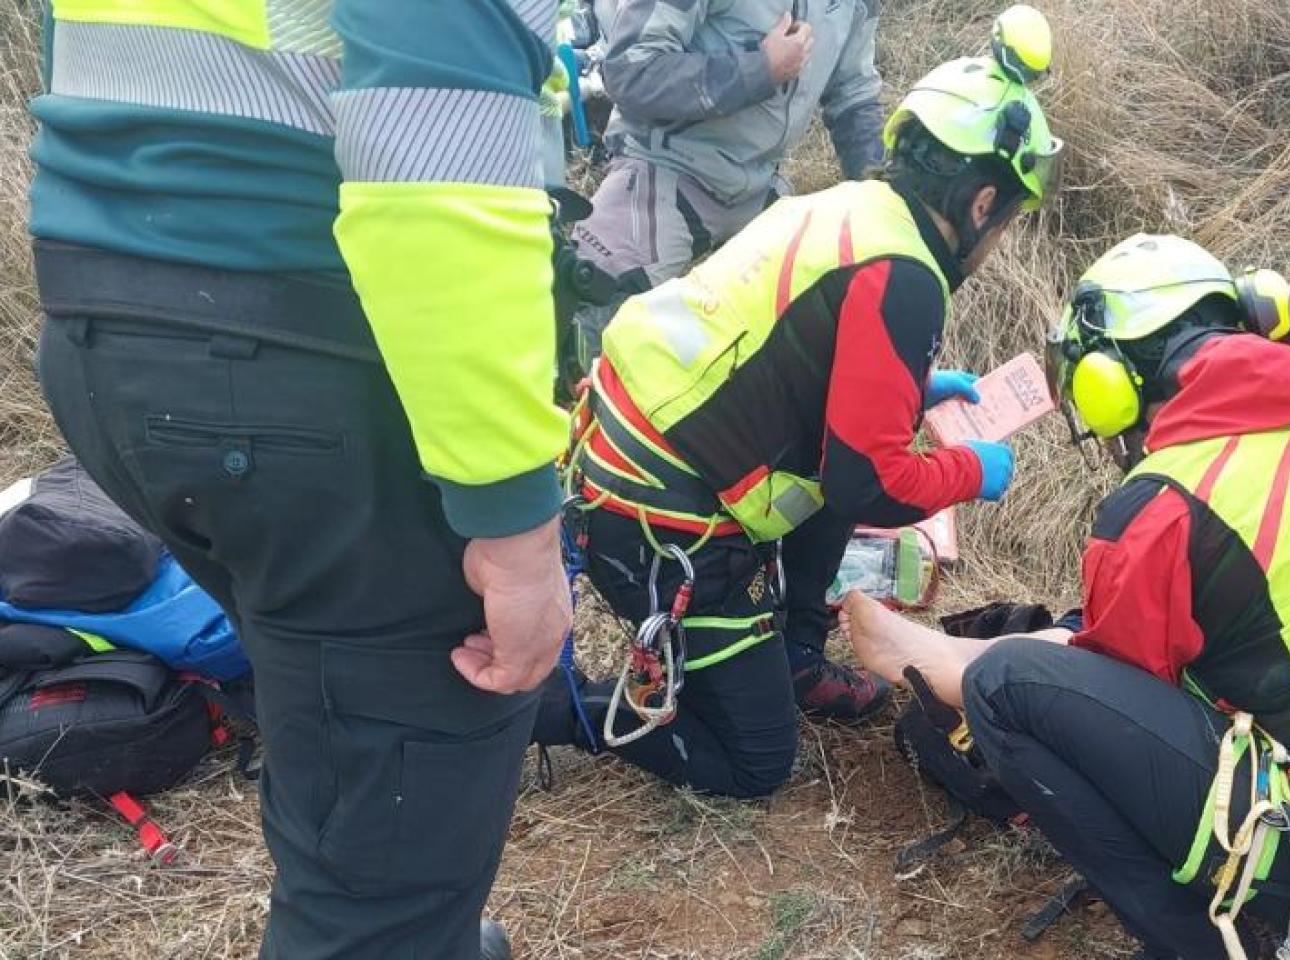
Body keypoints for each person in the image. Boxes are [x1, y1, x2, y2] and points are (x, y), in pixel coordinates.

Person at [28, 3, 575, 957]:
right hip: (296, 358)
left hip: (107, 322)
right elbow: (437, 174)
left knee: (339, 713)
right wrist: (517, 527)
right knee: (384, 856)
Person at [846, 234, 1290, 959]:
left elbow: (1124, 695)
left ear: (1110, 384)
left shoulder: (1166, 498)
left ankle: (1199, 945)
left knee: (1003, 684)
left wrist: (1002, 656)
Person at [533, 15, 1063, 798]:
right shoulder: (905, 273)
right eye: (1008, 219)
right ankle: (558, 709)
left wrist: (912, 395)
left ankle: (791, 654)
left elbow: (789, 368)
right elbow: (867, 484)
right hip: (659, 526)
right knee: (757, 762)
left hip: (636, 466)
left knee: (840, 462)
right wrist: (966, 469)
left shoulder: (849, 207)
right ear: (984, 202)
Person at [561, 0, 893, 371]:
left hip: (758, 184)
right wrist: (760, 69)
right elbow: (630, 69)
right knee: (586, 304)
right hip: (665, 164)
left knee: (813, 319)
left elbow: (854, 96)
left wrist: (882, 201)